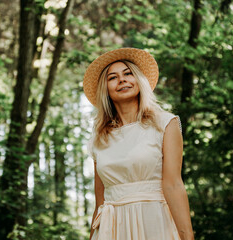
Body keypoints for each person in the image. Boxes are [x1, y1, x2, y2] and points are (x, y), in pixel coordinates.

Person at [83, 48, 194, 240]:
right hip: (112, 229)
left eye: (128, 74)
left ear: (138, 80)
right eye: (113, 77)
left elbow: (174, 185)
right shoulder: (99, 139)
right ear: (105, 89)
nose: (122, 80)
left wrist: (187, 237)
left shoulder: (165, 123)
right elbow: (100, 201)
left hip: (155, 222)